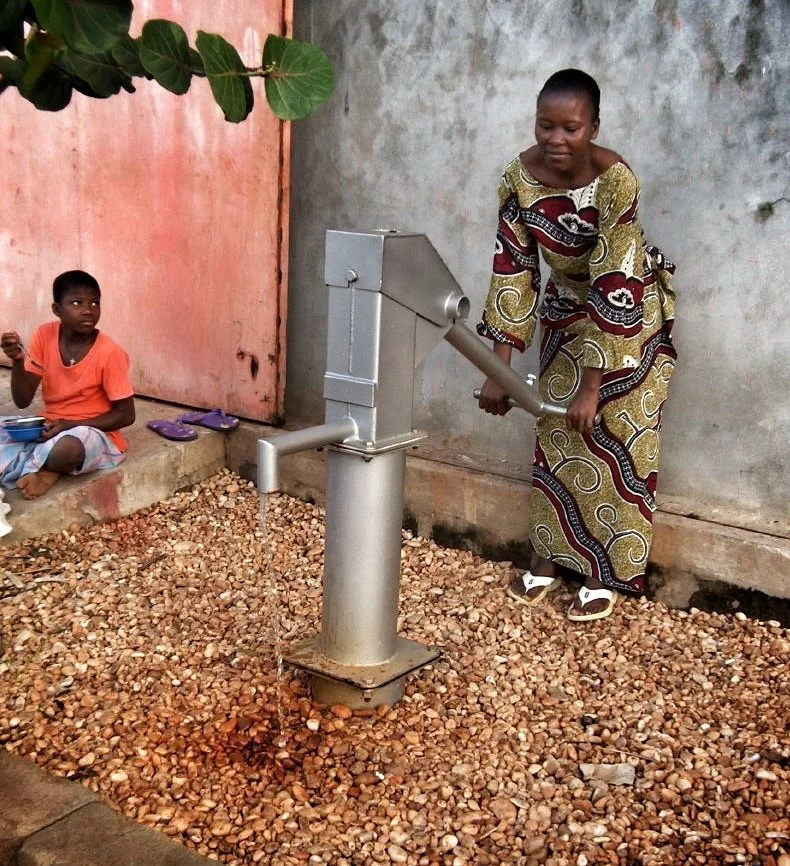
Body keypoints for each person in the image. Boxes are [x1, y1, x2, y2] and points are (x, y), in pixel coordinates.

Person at [477, 69, 677, 622]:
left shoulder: (616, 182)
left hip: (630, 316)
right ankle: (547, 559)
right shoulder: (519, 179)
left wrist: (592, 385)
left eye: (571, 127)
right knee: (557, 431)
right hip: (566, 309)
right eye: (546, 125)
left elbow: (615, 276)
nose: (557, 139)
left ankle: (603, 573)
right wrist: (499, 371)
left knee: (615, 438)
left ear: (594, 127)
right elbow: (513, 270)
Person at [0, 270, 135, 499]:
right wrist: (17, 361)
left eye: (95, 303)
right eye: (76, 303)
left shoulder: (110, 353)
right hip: (49, 427)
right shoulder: (45, 335)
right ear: (57, 309)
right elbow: (22, 400)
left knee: (68, 449)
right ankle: (39, 463)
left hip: (91, 432)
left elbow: (126, 415)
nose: (88, 310)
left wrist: (69, 425)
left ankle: (47, 472)